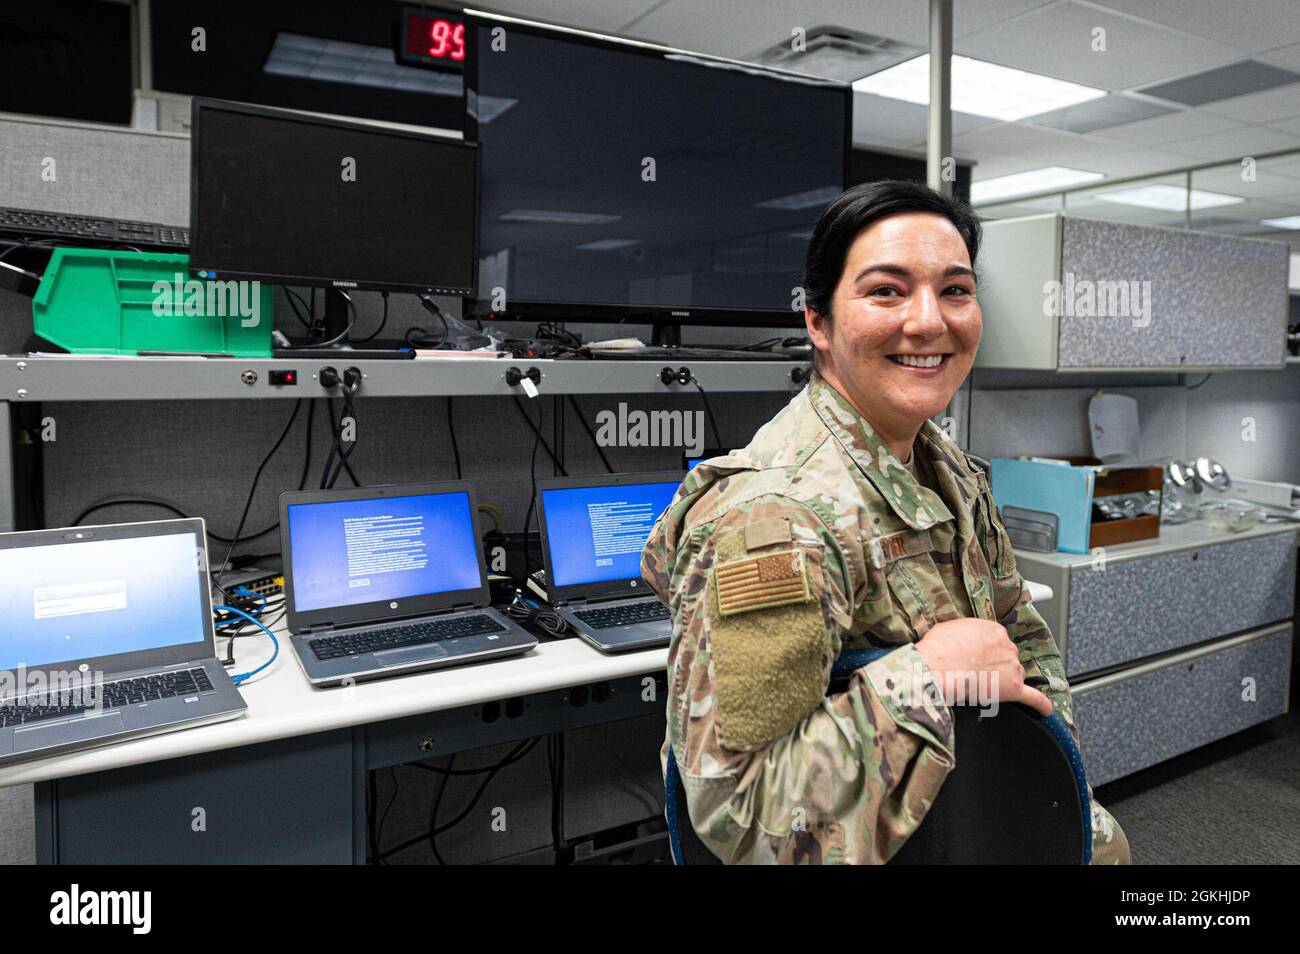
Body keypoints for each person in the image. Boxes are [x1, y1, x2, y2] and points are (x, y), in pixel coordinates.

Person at [641, 179, 1130, 865]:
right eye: (886, 291)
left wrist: (1037, 757)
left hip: (965, 821)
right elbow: (741, 814)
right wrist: (928, 675)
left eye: (955, 290)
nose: (930, 321)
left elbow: (1019, 633)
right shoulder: (775, 520)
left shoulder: (949, 469)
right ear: (818, 322)